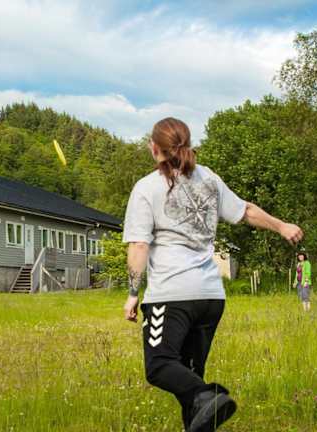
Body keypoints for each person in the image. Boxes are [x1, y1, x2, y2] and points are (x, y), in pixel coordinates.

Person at [122, 117, 303, 432]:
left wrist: (133, 293)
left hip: (171, 295)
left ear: (154, 148)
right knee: (193, 388)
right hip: (210, 297)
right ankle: (204, 403)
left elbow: (139, 245)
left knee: (160, 366)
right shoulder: (209, 179)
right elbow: (245, 211)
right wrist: (281, 225)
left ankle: (210, 395)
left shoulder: (146, 187)